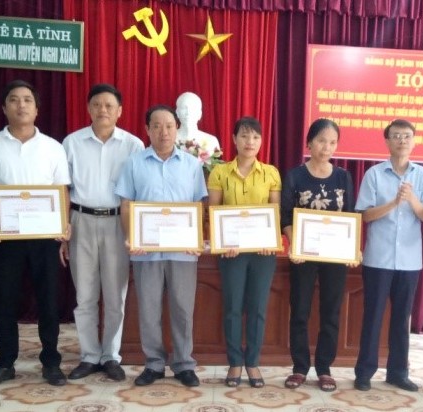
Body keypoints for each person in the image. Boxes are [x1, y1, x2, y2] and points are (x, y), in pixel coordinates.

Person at [0, 80, 71, 388]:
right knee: (5, 301)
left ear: (37, 109)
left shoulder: (53, 147)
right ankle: (5, 363)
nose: (21, 105)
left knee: (49, 301)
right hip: (6, 236)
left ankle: (51, 362)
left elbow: (62, 191)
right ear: (4, 107)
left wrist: (63, 226)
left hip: (45, 238)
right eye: (14, 100)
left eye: (27, 100)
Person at [115, 105, 208, 387]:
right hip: (146, 252)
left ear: (176, 128)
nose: (163, 131)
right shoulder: (134, 163)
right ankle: (154, 364)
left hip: (183, 252)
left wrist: (197, 238)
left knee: (182, 309)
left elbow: (199, 205)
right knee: (149, 309)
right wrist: (131, 237)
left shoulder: (192, 165)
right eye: (156, 126)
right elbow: (126, 204)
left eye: (169, 125)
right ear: (147, 129)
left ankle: (183, 364)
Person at [60, 84, 144, 381]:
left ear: (120, 111)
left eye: (109, 105)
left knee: (115, 295)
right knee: (85, 294)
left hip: (117, 223)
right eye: (97, 104)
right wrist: (63, 228)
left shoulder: (133, 145)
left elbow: (139, 191)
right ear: (89, 108)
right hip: (80, 221)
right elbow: (62, 189)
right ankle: (89, 355)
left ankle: (111, 356)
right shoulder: (71, 142)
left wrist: (135, 232)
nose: (103, 110)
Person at [353, 119, 423, 392]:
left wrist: (412, 199)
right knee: (373, 316)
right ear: (387, 141)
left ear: (414, 141)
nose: (402, 140)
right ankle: (364, 372)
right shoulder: (374, 174)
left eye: (407, 136)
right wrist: (393, 202)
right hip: (378, 257)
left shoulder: (422, 175)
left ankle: (398, 372)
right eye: (396, 136)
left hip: (410, 260)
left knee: (402, 319)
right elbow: (365, 215)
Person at [280, 118, 356, 392]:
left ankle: (324, 368)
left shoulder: (343, 177)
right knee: (300, 310)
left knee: (331, 312)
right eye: (321, 141)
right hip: (304, 254)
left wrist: (352, 247)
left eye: (332, 142)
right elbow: (285, 216)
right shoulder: (295, 176)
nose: (327, 147)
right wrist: (295, 244)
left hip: (334, 256)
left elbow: (350, 216)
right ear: (309, 143)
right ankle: (300, 367)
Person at [207, 117, 282, 388]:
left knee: (258, 307)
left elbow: (274, 212)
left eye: (255, 137)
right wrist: (221, 241)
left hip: (263, 253)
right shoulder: (219, 172)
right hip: (231, 253)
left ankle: (253, 362)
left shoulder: (271, 173)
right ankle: (235, 362)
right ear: (234, 139)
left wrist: (270, 238)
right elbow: (213, 212)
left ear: (261, 141)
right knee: (233, 307)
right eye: (244, 136)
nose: (250, 142)